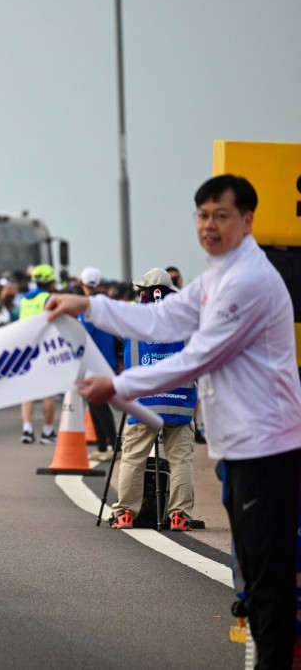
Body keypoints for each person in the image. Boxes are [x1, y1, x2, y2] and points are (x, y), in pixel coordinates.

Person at [47, 175, 301, 669]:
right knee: (252, 578)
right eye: (202, 215)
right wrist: (89, 305)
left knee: (268, 587)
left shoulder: (248, 280)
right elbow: (163, 322)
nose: (209, 225)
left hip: (267, 449)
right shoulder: (219, 275)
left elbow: (199, 356)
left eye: (221, 215)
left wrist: (118, 387)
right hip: (240, 448)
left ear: (247, 221)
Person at [109, 268, 197, 531]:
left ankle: (125, 513)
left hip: (143, 401)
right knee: (181, 459)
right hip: (179, 400)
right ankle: (179, 515)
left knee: (133, 457)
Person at [78, 266, 120, 461]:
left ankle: (111, 446)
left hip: (94, 361)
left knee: (98, 404)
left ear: (82, 284)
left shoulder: (88, 305)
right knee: (97, 404)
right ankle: (105, 446)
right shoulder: (107, 303)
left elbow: (84, 334)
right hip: (108, 358)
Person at [18, 264, 57, 444]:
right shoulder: (49, 298)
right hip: (44, 348)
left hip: (26, 349)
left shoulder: (24, 300)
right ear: (50, 282)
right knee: (48, 392)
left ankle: (27, 429)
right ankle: (47, 432)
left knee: (27, 392)